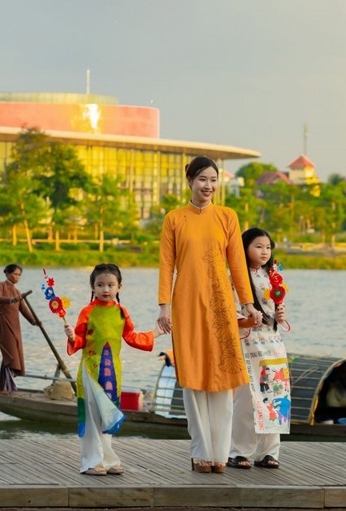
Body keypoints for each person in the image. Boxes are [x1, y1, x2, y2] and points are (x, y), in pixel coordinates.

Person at [156, 156, 262, 474]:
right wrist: (164, 306)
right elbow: (166, 265)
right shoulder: (174, 219)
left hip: (220, 305)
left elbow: (237, 265)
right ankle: (201, 451)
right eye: (202, 179)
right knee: (192, 378)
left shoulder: (227, 217)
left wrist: (247, 304)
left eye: (213, 180)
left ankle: (219, 453)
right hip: (186, 304)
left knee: (223, 378)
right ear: (189, 180)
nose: (208, 186)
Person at [64, 263, 162, 476]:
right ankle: (91, 462)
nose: (105, 290)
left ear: (119, 287)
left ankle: (107, 460)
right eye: (100, 285)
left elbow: (132, 337)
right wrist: (73, 337)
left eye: (110, 285)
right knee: (92, 416)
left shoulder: (121, 312)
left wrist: (155, 333)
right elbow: (80, 340)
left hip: (112, 373)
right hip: (90, 371)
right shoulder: (87, 311)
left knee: (108, 415)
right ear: (92, 287)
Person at [228, 228, 290, 470]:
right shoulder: (235, 277)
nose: (264, 251)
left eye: (268, 247)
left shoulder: (272, 276)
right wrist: (247, 320)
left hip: (274, 344)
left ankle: (269, 452)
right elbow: (230, 311)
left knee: (275, 397)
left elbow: (276, 311)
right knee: (247, 399)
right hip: (248, 342)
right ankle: (239, 451)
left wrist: (281, 314)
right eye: (258, 246)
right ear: (244, 248)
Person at [0, 263, 38, 394]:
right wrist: (12, 300)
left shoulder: (17, 292)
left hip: (15, 327)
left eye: (19, 275)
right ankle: (9, 387)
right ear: (7, 273)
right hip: (4, 325)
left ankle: (2, 387)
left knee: (11, 355)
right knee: (10, 355)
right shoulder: (1, 285)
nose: (17, 277)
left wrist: (35, 321)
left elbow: (23, 310)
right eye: (15, 274)